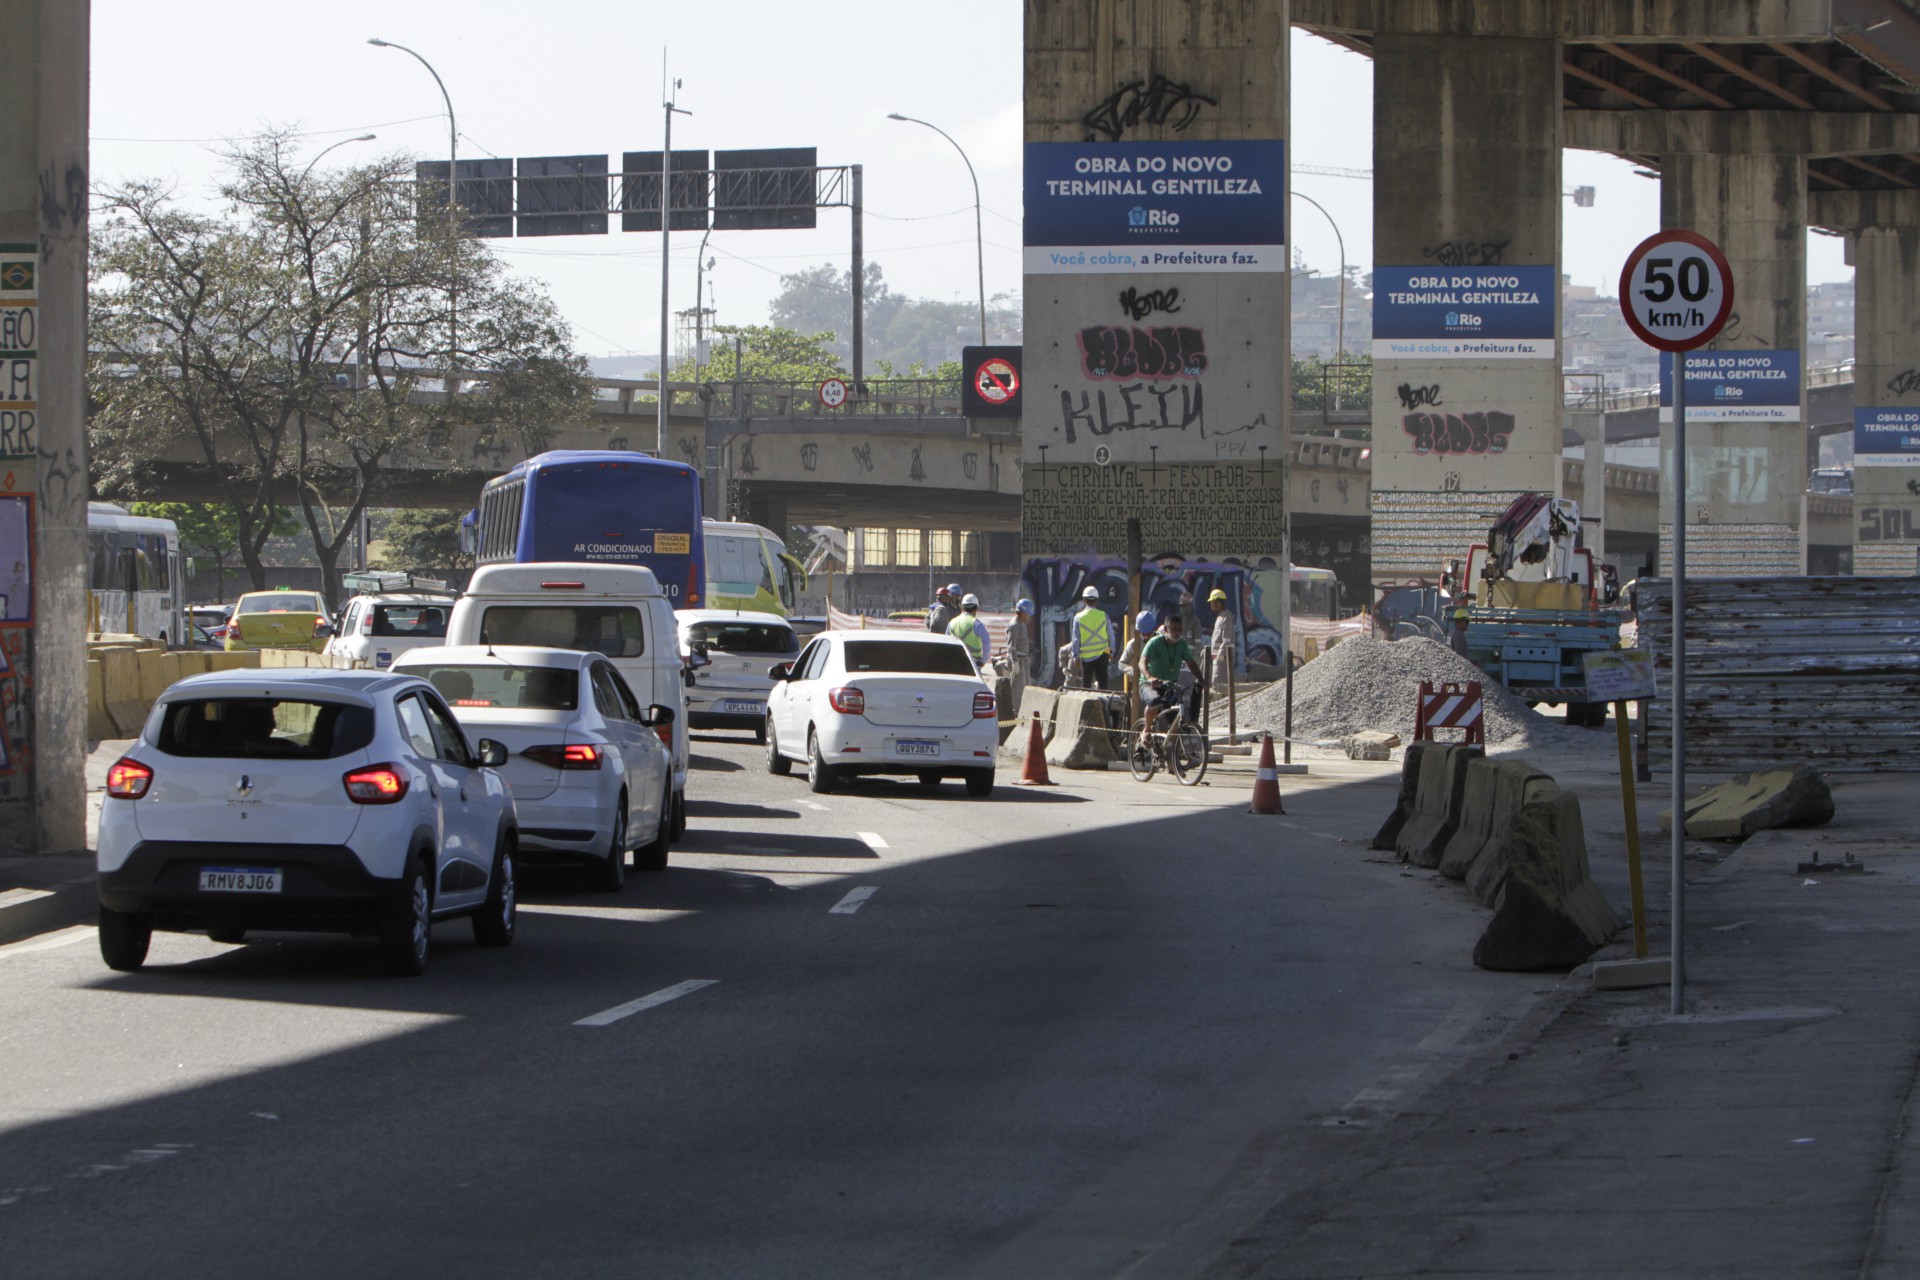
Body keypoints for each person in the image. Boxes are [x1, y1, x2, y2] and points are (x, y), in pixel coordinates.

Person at [1141, 612, 1207, 729]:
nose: (1177, 633)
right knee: (1154, 701)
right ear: (1166, 629)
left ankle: (1173, 745)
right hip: (1149, 684)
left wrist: (1201, 680)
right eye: (1174, 629)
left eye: (1180, 630)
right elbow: (1142, 663)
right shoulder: (1155, 643)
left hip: (1169, 685)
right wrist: (1150, 677)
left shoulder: (1182, 644)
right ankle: (1146, 731)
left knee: (1177, 714)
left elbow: (1191, 663)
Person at [1072, 585, 1114, 690]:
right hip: (1103, 654)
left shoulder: (1078, 618)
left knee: (1086, 685)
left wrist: (1076, 657)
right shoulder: (1103, 615)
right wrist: (1110, 652)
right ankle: (1103, 706)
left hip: (1086, 657)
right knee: (1103, 684)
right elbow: (1111, 636)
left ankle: (1086, 706)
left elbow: (1076, 640)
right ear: (1097, 600)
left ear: (1084, 600)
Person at [947, 593, 991, 672]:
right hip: (973, 665)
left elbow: (945, 641)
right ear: (976, 608)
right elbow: (986, 643)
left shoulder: (952, 623)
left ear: (962, 607)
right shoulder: (977, 624)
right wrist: (983, 661)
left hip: (954, 663)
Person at [1205, 588, 1236, 691]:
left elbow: (1226, 639)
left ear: (1219, 602)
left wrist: (1220, 656)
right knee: (1215, 681)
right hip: (1218, 656)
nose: (1211, 605)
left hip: (1223, 657)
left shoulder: (1227, 616)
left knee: (1218, 683)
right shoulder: (1220, 616)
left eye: (1212, 602)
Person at [1006, 598, 1035, 706]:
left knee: (1026, 690)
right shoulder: (1014, 625)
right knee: (1017, 692)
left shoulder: (1021, 623)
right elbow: (1011, 647)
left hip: (1024, 660)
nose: (1029, 617)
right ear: (1022, 613)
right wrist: (1015, 663)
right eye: (1028, 614)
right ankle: (1015, 712)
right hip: (1018, 661)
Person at [1117, 608, 1157, 686]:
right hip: (1143, 683)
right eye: (1143, 633)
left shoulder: (1161, 640)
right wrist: (1133, 671)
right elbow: (1121, 663)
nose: (1145, 637)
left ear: (1153, 628)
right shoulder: (1133, 643)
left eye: (1148, 634)